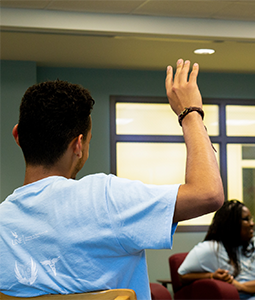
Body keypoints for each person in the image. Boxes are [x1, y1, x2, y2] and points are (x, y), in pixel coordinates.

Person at [0, 59, 224, 300]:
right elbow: (208, 194)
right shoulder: (104, 197)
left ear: (17, 136)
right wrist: (190, 113)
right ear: (78, 145)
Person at [178, 200, 255, 300]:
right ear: (231, 224)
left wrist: (240, 286)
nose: (252, 224)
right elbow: (183, 277)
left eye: (251, 219)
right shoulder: (209, 249)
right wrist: (211, 276)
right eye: (246, 219)